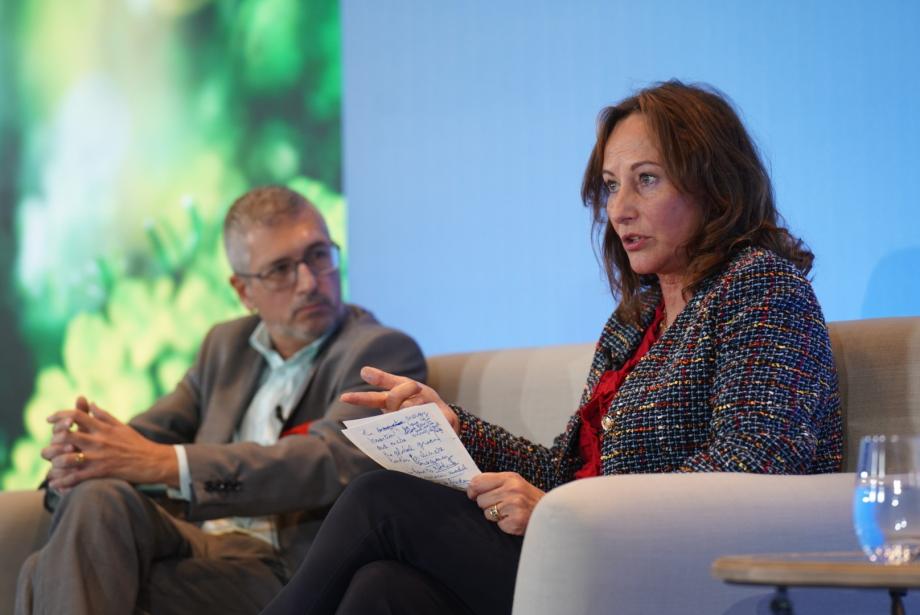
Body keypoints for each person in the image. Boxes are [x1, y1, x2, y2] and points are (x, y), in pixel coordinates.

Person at [259, 81, 844, 615]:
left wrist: (568, 520)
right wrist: (451, 427)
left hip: (669, 574)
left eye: (647, 179)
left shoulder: (761, 287)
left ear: (714, 183)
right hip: (590, 550)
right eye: (612, 186)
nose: (620, 209)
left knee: (379, 500)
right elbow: (566, 470)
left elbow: (753, 467)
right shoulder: (635, 321)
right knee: (384, 590)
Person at [15, 186, 427, 615]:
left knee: (47, 575)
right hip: (200, 542)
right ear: (243, 290)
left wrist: (164, 463)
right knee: (96, 498)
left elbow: (330, 463)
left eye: (319, 256)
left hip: (288, 569)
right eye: (281, 270)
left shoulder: (380, 352)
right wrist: (81, 458)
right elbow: (141, 435)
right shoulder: (226, 347)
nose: (308, 282)